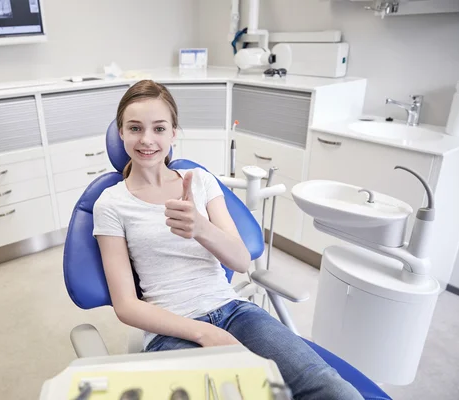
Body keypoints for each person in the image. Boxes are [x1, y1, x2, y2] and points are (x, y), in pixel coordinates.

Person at [92, 80, 363, 400]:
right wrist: (205, 333)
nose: (147, 139)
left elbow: (240, 261)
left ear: (173, 133)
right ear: (120, 132)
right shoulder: (110, 204)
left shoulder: (201, 182)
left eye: (159, 128)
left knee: (333, 390)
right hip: (171, 333)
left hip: (235, 312)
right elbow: (126, 306)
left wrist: (201, 228)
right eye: (135, 128)